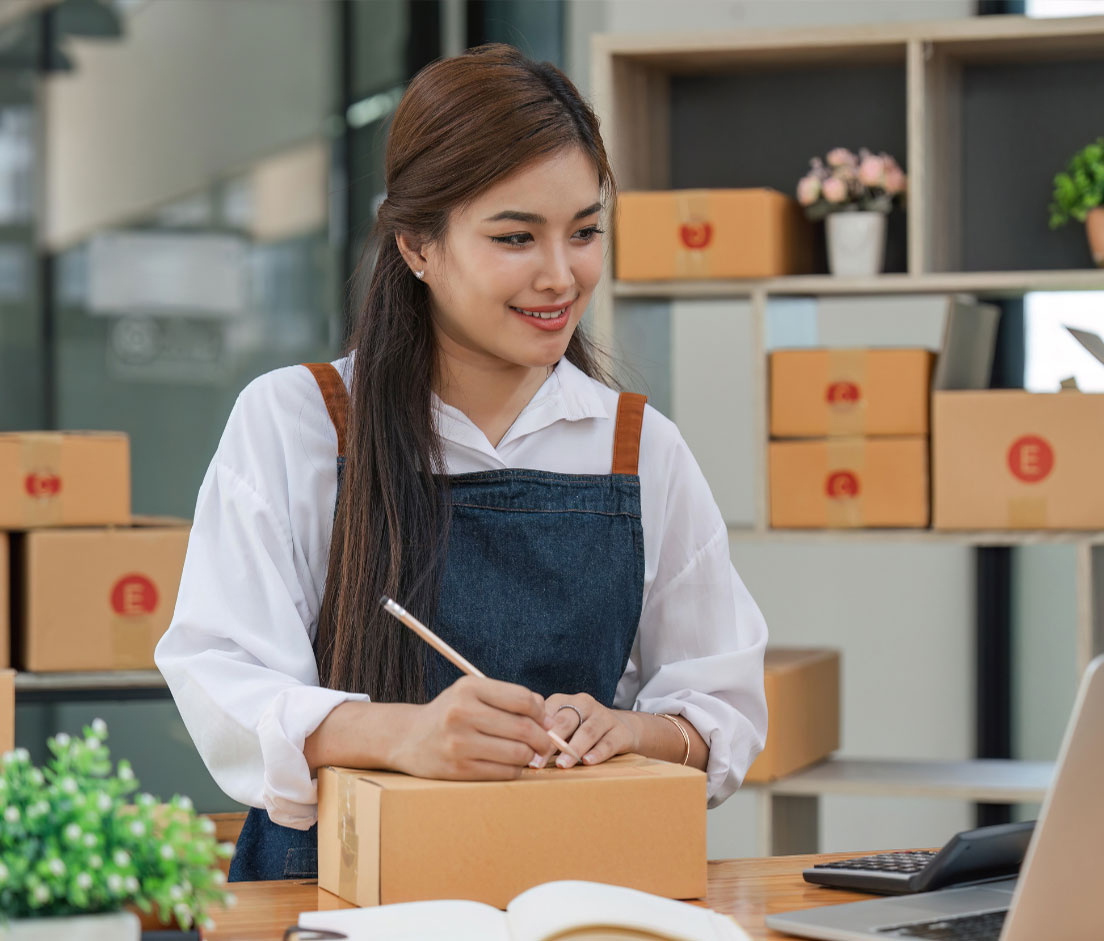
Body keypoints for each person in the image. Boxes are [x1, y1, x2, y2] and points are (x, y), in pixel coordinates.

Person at [155, 43, 769, 882]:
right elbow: (220, 675)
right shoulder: (299, 420)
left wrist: (632, 730)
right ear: (416, 244)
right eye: (516, 236)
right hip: (332, 882)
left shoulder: (639, 447)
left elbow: (723, 703)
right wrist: (402, 733)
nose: (561, 275)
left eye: (585, 232)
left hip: (572, 888)